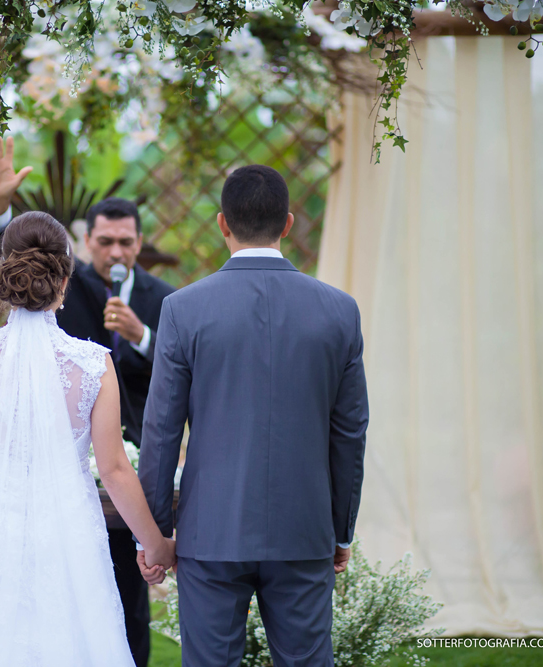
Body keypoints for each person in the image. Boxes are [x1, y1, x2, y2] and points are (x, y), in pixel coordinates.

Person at [0, 212, 176, 667]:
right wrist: (156, 544)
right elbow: (113, 470)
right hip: (69, 538)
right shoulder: (92, 364)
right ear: (64, 281)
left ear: (5, 275)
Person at [136, 165, 369, 667]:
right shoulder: (340, 311)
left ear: (222, 223)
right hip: (304, 530)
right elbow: (350, 432)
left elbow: (161, 430)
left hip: (211, 531)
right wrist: (340, 529)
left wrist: (154, 534)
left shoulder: (182, 309)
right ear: (288, 223)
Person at [0, 136, 174, 666]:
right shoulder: (65, 281)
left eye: (125, 242)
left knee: (126, 604)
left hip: (134, 462)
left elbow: (183, 374)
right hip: (68, 468)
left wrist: (144, 338)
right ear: (86, 244)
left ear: (139, 242)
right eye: (105, 242)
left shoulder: (165, 300)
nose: (115, 252)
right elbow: (19, 267)